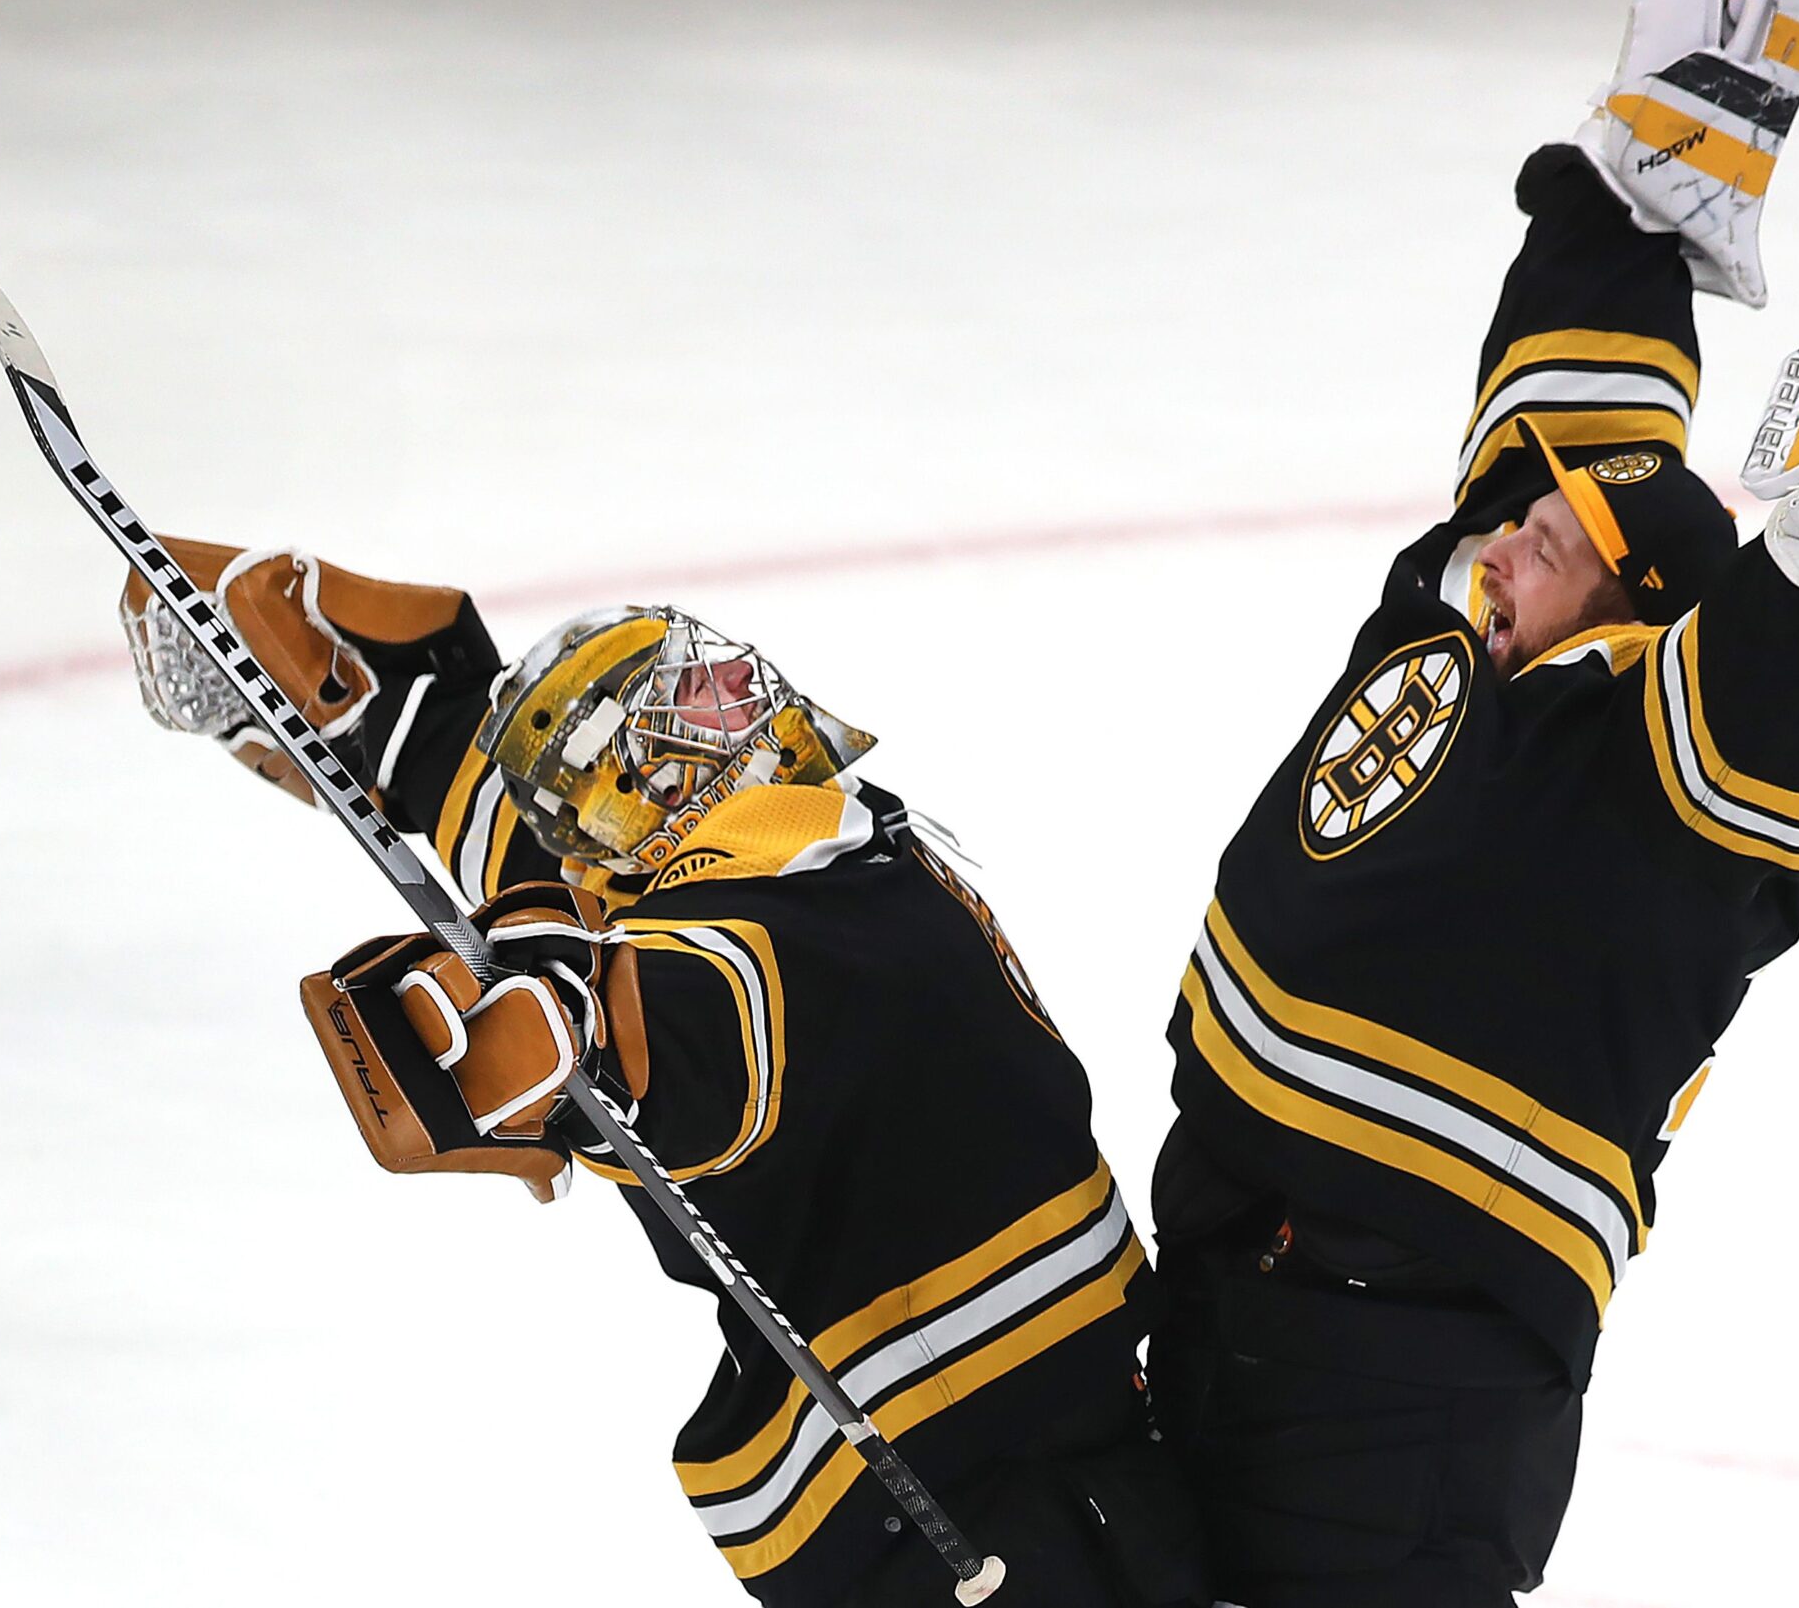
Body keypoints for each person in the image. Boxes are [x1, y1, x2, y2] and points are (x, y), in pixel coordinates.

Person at [1141, 0, 1799, 1607]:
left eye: (1566, 542)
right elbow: (1568, 396)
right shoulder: (1460, 607)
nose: (1518, 536)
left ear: (1630, 625)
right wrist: (1642, 174)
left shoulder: (1665, 786)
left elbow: (1796, 690)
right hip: (1225, 1277)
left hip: (1411, 1400)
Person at [119, 560, 1209, 1608]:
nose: (738, 676)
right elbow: (658, 1029)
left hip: (1063, 1451)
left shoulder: (766, 842)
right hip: (958, 1509)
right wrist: (552, 1037)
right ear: (644, 774)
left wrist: (394, 718)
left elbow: (526, 820)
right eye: (686, 692)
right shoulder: (758, 947)